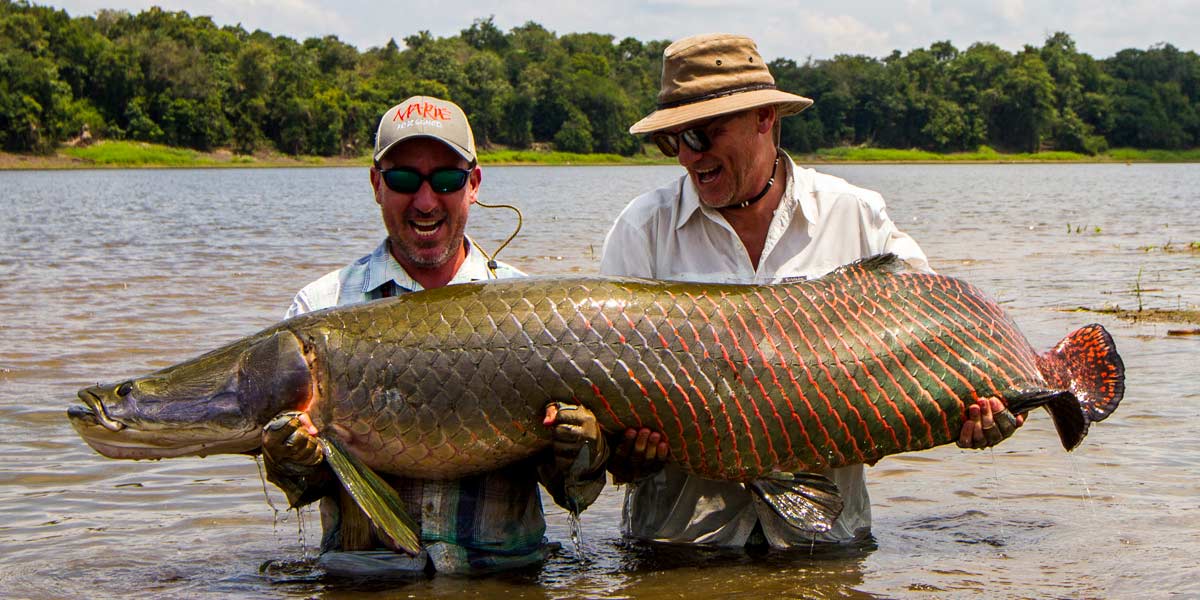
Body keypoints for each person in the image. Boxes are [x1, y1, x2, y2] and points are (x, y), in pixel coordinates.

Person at [595, 33, 1024, 549]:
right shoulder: (643, 228)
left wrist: (990, 406)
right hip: (678, 547)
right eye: (674, 140)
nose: (689, 157)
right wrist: (621, 450)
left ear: (765, 119)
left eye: (704, 135)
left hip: (825, 544)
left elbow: (935, 345)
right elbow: (604, 398)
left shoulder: (854, 214)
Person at [260, 95, 607, 577]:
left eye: (447, 179)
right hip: (365, 580)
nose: (425, 202)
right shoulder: (318, 309)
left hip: (502, 578)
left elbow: (575, 493)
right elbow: (303, 485)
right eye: (404, 180)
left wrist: (582, 450)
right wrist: (290, 460)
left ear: (475, 183)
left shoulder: (538, 315)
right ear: (377, 184)